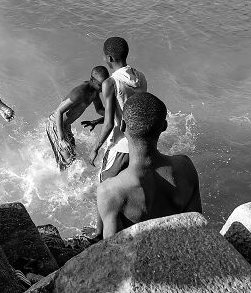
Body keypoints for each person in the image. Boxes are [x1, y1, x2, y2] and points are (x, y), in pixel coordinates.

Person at [96, 92, 201, 238]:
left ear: (122, 125)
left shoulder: (110, 191)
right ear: (164, 126)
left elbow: (112, 246)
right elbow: (197, 226)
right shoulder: (185, 167)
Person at [88, 36, 148, 181]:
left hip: (120, 147)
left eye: (104, 56)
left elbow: (109, 124)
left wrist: (95, 149)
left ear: (109, 58)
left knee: (105, 185)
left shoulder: (110, 83)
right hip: (140, 146)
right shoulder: (140, 77)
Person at [45, 66, 109, 169]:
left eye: (105, 84)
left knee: (74, 154)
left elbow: (99, 109)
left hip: (66, 126)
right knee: (69, 161)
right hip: (56, 125)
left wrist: (115, 113)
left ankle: (59, 172)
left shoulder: (94, 92)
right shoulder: (80, 92)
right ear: (92, 80)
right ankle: (54, 175)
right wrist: (61, 139)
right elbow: (59, 112)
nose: (103, 88)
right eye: (100, 85)